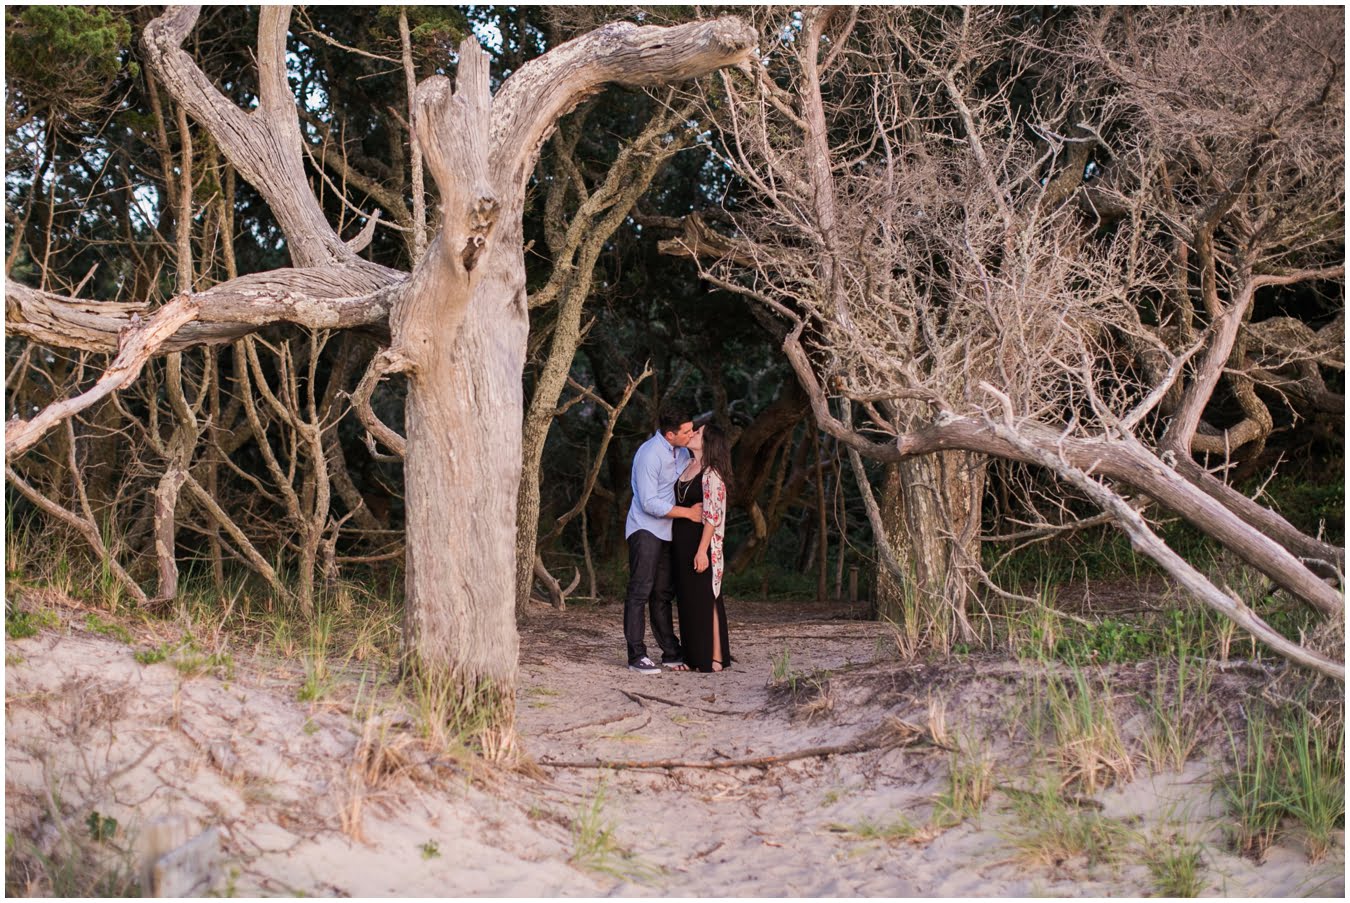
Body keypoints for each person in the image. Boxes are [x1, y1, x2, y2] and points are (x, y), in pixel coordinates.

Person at [623, 408, 702, 674]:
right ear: (670, 435)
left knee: (662, 594)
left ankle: (671, 652)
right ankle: (636, 656)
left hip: (668, 532)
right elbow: (649, 502)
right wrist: (688, 513)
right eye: (687, 431)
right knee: (640, 591)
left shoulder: (683, 452)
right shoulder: (649, 454)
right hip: (645, 529)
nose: (691, 434)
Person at [671, 424, 733, 672]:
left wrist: (701, 551)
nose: (693, 433)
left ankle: (715, 657)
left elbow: (712, 517)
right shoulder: (687, 465)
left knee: (708, 599)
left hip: (702, 544)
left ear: (708, 443)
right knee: (689, 601)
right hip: (681, 543)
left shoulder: (711, 474)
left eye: (698, 433)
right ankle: (694, 657)